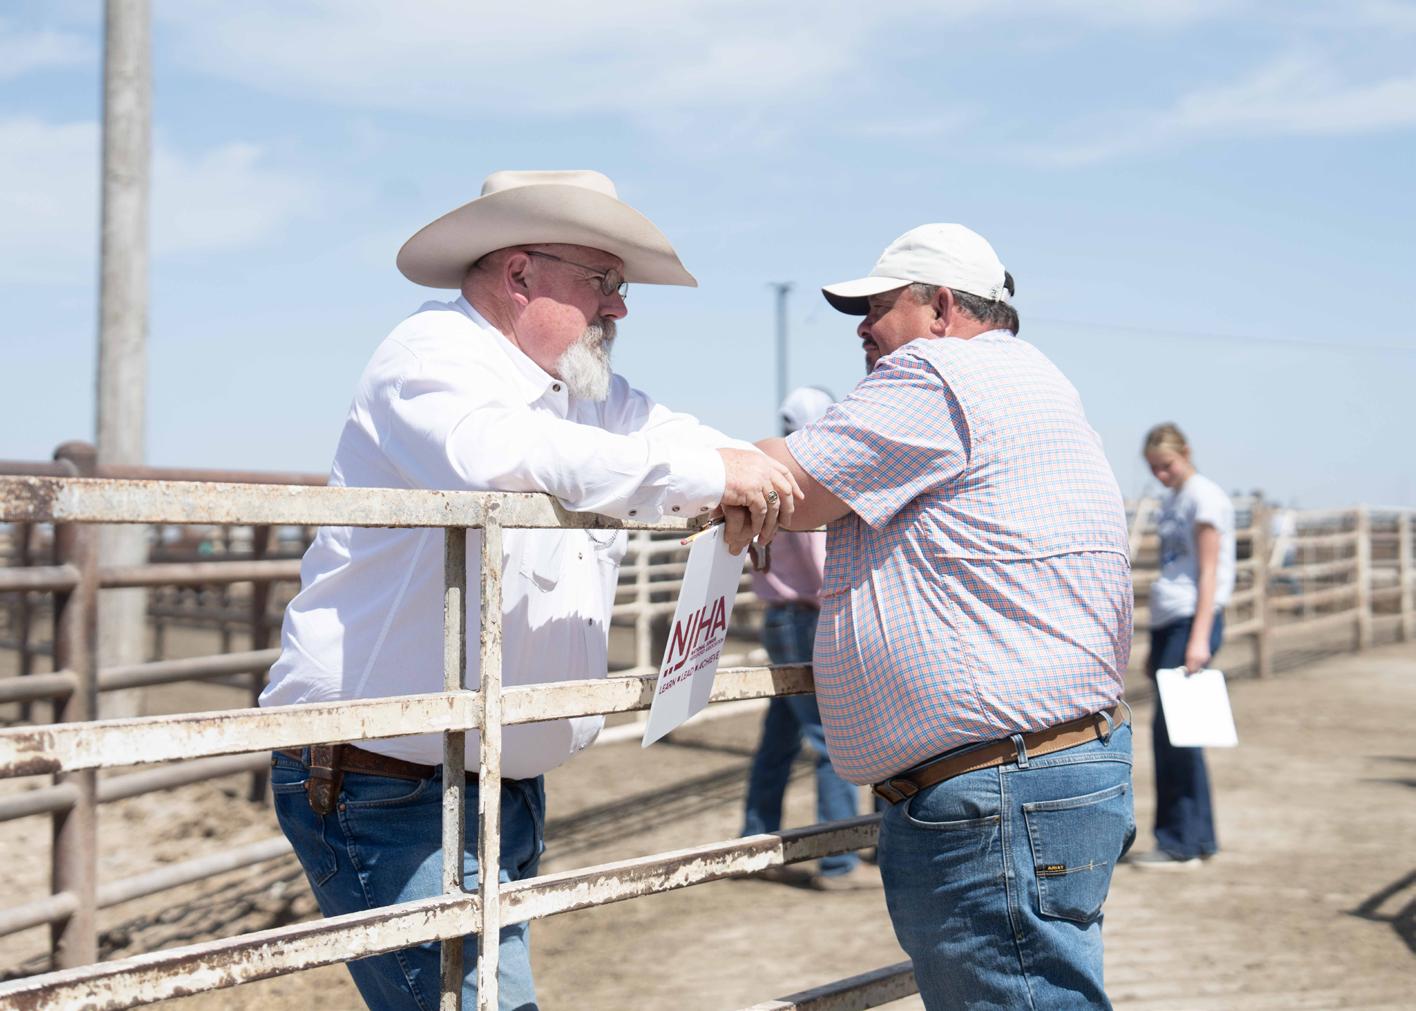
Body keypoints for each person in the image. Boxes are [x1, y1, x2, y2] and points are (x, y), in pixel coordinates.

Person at [259, 169, 800, 1010]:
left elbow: (686, 440)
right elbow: (497, 457)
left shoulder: (586, 395)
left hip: (484, 772)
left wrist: (745, 465)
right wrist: (708, 473)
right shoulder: (431, 356)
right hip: (390, 779)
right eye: (604, 281)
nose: (619, 307)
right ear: (519, 274)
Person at [749, 223, 1136, 1009]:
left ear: (941, 308)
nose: (863, 328)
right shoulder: (1040, 380)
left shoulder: (935, 371)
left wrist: (748, 458)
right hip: (1061, 760)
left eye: (878, 307)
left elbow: (791, 485)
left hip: (994, 785)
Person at [741, 386, 863, 890]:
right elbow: (819, 565)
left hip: (779, 616)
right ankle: (838, 860)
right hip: (808, 616)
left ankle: (755, 844)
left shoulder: (768, 475)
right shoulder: (804, 481)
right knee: (831, 738)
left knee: (781, 737)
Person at [1132, 422, 1235, 868]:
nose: (1161, 475)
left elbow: (1208, 571)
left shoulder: (1204, 497)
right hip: (1169, 619)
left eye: (1167, 465)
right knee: (1179, 731)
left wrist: (1199, 637)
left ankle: (1180, 842)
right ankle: (1199, 837)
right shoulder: (1173, 499)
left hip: (1191, 619)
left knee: (1175, 734)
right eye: (1154, 468)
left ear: (1186, 453)